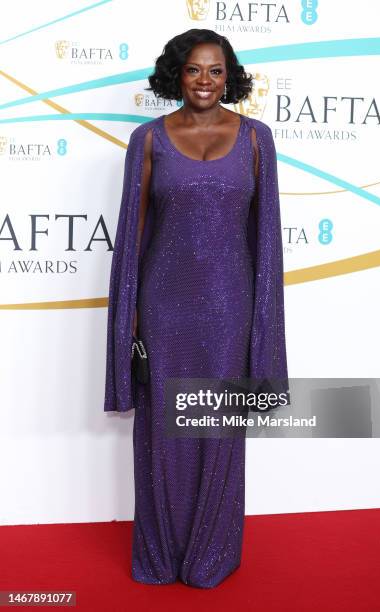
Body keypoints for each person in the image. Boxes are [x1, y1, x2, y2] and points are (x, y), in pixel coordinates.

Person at [104, 28, 288, 588]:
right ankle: (160, 555)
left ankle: (210, 554)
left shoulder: (257, 139)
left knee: (217, 430)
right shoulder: (149, 139)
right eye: (194, 70)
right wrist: (130, 319)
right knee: (164, 431)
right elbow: (133, 234)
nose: (205, 81)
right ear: (176, 75)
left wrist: (262, 320)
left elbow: (266, 239)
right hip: (165, 309)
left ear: (228, 76)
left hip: (230, 310)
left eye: (215, 70)